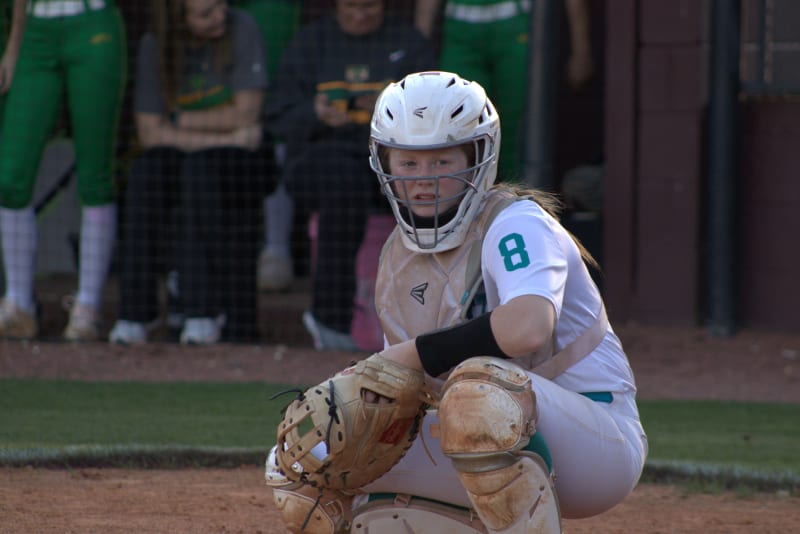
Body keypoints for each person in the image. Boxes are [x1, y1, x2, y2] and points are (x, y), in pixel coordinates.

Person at [267, 71, 647, 531]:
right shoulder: (397, 256)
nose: (424, 179)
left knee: (476, 391)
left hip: (596, 443)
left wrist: (404, 356)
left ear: (477, 159)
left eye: (442, 161)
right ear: (384, 162)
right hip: (484, 433)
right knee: (302, 459)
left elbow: (528, 327)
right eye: (408, 162)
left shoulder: (517, 222)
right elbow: (405, 393)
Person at [266, 0, 436, 350]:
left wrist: (392, 114)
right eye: (351, 6)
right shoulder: (310, 42)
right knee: (343, 181)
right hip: (321, 160)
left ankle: (431, 322)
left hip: (390, 161)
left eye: (369, 6)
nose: (359, 14)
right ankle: (331, 320)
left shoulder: (409, 41)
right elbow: (277, 116)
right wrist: (314, 114)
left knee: (433, 182)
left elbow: (433, 111)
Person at [108, 0, 273, 345]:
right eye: (205, 13)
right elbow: (149, 134)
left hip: (242, 163)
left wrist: (178, 121)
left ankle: (202, 309)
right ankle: (136, 313)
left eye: (221, 5)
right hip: (203, 149)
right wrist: (223, 135)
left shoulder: (242, 28)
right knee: (145, 175)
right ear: (178, 19)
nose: (219, 16)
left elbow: (247, 114)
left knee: (199, 173)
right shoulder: (154, 45)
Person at [0, 0, 127, 341]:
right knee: (10, 178)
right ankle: (18, 302)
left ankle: (88, 305)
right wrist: (14, 46)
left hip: (92, 22)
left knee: (95, 175)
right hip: (36, 32)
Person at [414, 0, 594, 181]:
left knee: (518, 121)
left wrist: (581, 51)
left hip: (514, 24)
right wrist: (417, 54)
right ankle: (463, 194)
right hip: (460, 29)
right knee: (457, 119)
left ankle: (517, 193)